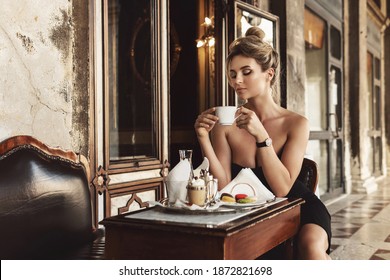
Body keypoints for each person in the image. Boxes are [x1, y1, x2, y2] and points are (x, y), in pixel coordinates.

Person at [194, 27, 331, 260]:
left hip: (296, 206)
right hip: (249, 213)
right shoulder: (225, 123)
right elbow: (223, 186)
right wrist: (203, 138)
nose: (237, 81)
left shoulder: (295, 124)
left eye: (246, 72)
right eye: (232, 73)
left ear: (269, 73)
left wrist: (261, 136)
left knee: (310, 246)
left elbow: (282, 189)